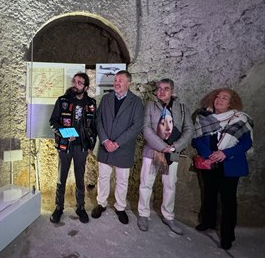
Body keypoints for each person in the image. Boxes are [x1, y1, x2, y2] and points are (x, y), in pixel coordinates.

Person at [192, 88, 253, 250]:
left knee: (228, 201)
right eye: (217, 97)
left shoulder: (240, 119)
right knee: (209, 193)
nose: (219, 100)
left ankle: (227, 235)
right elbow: (197, 139)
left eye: (224, 98)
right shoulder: (204, 117)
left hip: (230, 164)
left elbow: (246, 143)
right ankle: (208, 222)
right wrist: (209, 154)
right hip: (209, 163)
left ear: (231, 103)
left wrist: (225, 153)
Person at [137, 79, 194, 234]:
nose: (161, 92)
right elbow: (145, 128)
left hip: (172, 153)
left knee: (170, 185)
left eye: (165, 89)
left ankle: (168, 216)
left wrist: (174, 147)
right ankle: (143, 213)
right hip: (152, 151)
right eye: (159, 89)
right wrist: (163, 146)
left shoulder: (182, 108)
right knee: (146, 183)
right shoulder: (150, 106)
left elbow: (189, 129)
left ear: (172, 91)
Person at [91, 70, 144, 224]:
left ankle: (120, 207)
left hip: (124, 147)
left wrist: (118, 142)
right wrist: (105, 140)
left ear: (129, 83)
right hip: (106, 146)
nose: (117, 83)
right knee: (103, 177)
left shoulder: (136, 102)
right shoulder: (106, 98)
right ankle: (101, 204)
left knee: (122, 180)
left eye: (120, 80)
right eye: (115, 80)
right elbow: (98, 120)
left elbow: (137, 125)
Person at [49, 72, 97, 224]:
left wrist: (91, 145)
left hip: (81, 147)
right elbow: (53, 121)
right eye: (74, 81)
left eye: (79, 82)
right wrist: (64, 133)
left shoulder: (91, 103)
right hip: (65, 146)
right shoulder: (62, 100)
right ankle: (58, 207)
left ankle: (80, 207)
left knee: (80, 179)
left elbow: (94, 126)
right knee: (61, 179)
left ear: (86, 87)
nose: (75, 84)